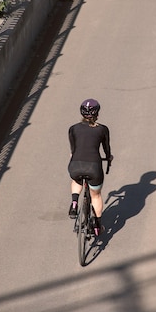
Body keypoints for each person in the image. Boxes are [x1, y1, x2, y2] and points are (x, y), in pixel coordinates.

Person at [67, 98, 113, 236]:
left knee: (76, 180)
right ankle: (97, 224)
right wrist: (109, 157)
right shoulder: (102, 129)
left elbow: (73, 149)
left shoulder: (73, 128)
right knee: (96, 195)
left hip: (75, 165)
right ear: (97, 113)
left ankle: (74, 203)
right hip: (94, 167)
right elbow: (106, 148)